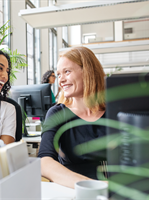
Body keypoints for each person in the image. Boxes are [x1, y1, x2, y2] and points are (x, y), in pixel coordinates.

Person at [38, 46, 106, 188]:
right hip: (74, 191)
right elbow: (44, 162)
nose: (61, 80)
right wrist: (95, 186)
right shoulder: (57, 113)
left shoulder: (115, 112)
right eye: (58, 75)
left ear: (88, 72)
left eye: (67, 72)